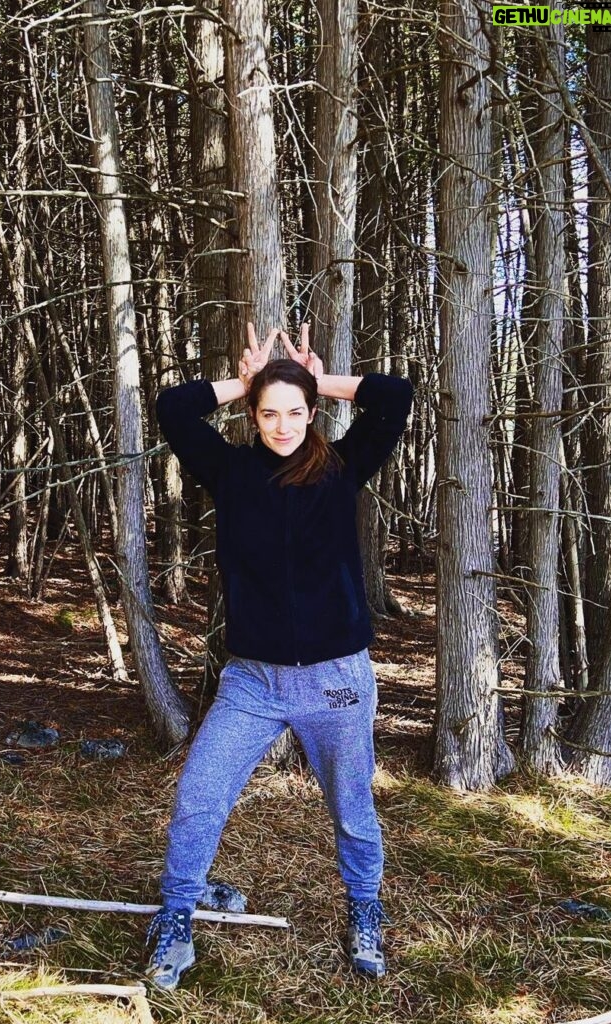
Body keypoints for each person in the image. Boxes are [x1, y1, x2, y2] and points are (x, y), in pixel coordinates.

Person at [145, 322, 413, 990]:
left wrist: (309, 376)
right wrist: (247, 381)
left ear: (313, 414)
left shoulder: (342, 469)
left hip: (336, 683)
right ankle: (175, 919)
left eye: (294, 412)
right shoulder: (231, 471)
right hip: (252, 682)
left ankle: (363, 911)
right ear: (252, 416)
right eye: (268, 413)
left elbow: (395, 397)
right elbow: (174, 409)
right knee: (198, 797)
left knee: (351, 808)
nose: (282, 424)